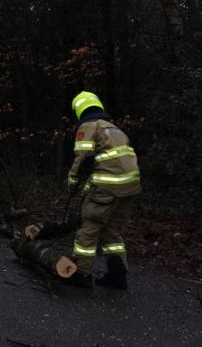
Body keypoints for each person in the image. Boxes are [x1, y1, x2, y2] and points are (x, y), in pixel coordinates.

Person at [65, 91, 141, 289]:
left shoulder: (88, 126)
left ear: (79, 109)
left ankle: (81, 275)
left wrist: (72, 182)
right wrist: (87, 188)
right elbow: (105, 165)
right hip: (130, 187)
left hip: (109, 186)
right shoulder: (116, 130)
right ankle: (118, 276)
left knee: (88, 229)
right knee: (112, 232)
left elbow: (82, 158)